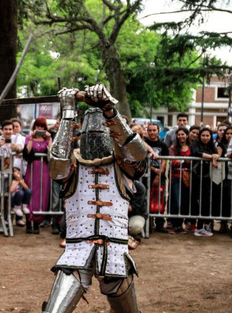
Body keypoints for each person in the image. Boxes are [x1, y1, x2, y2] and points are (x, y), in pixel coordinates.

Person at [43, 85, 147, 313]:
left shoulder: (124, 166)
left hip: (116, 255)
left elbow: (139, 155)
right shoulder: (71, 166)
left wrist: (110, 110)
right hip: (76, 252)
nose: (94, 135)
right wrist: (68, 112)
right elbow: (56, 167)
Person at [23, 117, 52, 234]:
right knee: (31, 194)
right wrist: (32, 138)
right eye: (37, 126)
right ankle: (29, 221)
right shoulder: (29, 138)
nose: (39, 129)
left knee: (42, 195)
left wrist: (49, 139)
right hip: (32, 169)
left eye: (42, 127)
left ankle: (37, 222)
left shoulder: (47, 139)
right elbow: (27, 152)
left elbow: (52, 153)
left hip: (44, 170)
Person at [190, 128, 220, 237]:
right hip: (196, 177)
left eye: (208, 136)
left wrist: (214, 157)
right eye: (203, 135)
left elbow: (217, 155)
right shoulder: (195, 144)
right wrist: (211, 157)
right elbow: (196, 153)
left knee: (207, 202)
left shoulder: (212, 146)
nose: (205, 138)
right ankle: (197, 227)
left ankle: (203, 225)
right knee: (196, 202)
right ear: (200, 136)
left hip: (208, 178)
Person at [145, 122, 169, 233]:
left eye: (154, 130)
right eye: (150, 130)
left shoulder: (163, 145)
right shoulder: (144, 143)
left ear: (158, 131)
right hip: (146, 175)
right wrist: (154, 170)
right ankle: (147, 224)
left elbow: (164, 160)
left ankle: (159, 224)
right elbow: (143, 160)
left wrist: (159, 173)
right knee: (146, 199)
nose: (152, 132)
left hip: (160, 176)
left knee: (160, 199)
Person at [168, 127, 191, 234]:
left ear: (187, 135)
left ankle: (180, 225)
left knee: (185, 202)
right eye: (179, 134)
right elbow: (173, 162)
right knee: (177, 202)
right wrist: (185, 161)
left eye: (183, 134)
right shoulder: (173, 148)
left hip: (188, 178)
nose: (181, 136)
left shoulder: (191, 147)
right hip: (176, 177)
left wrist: (181, 161)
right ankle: (175, 224)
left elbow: (192, 161)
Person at [0, 120, 21, 196]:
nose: (8, 131)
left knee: (11, 195)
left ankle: (7, 208)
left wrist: (16, 148)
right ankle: (0, 208)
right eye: (5, 129)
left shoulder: (15, 138)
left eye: (10, 129)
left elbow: (20, 147)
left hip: (10, 173)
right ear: (2, 130)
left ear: (13, 130)